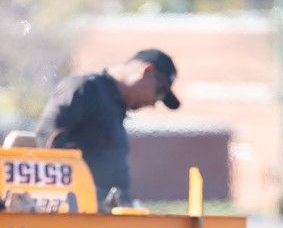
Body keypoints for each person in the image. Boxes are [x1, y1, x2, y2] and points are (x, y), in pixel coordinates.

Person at [35, 48, 180, 208]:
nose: (154, 103)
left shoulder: (116, 104)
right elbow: (46, 137)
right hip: (77, 217)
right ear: (147, 71)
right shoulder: (85, 88)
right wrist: (83, 194)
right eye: (159, 93)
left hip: (109, 218)